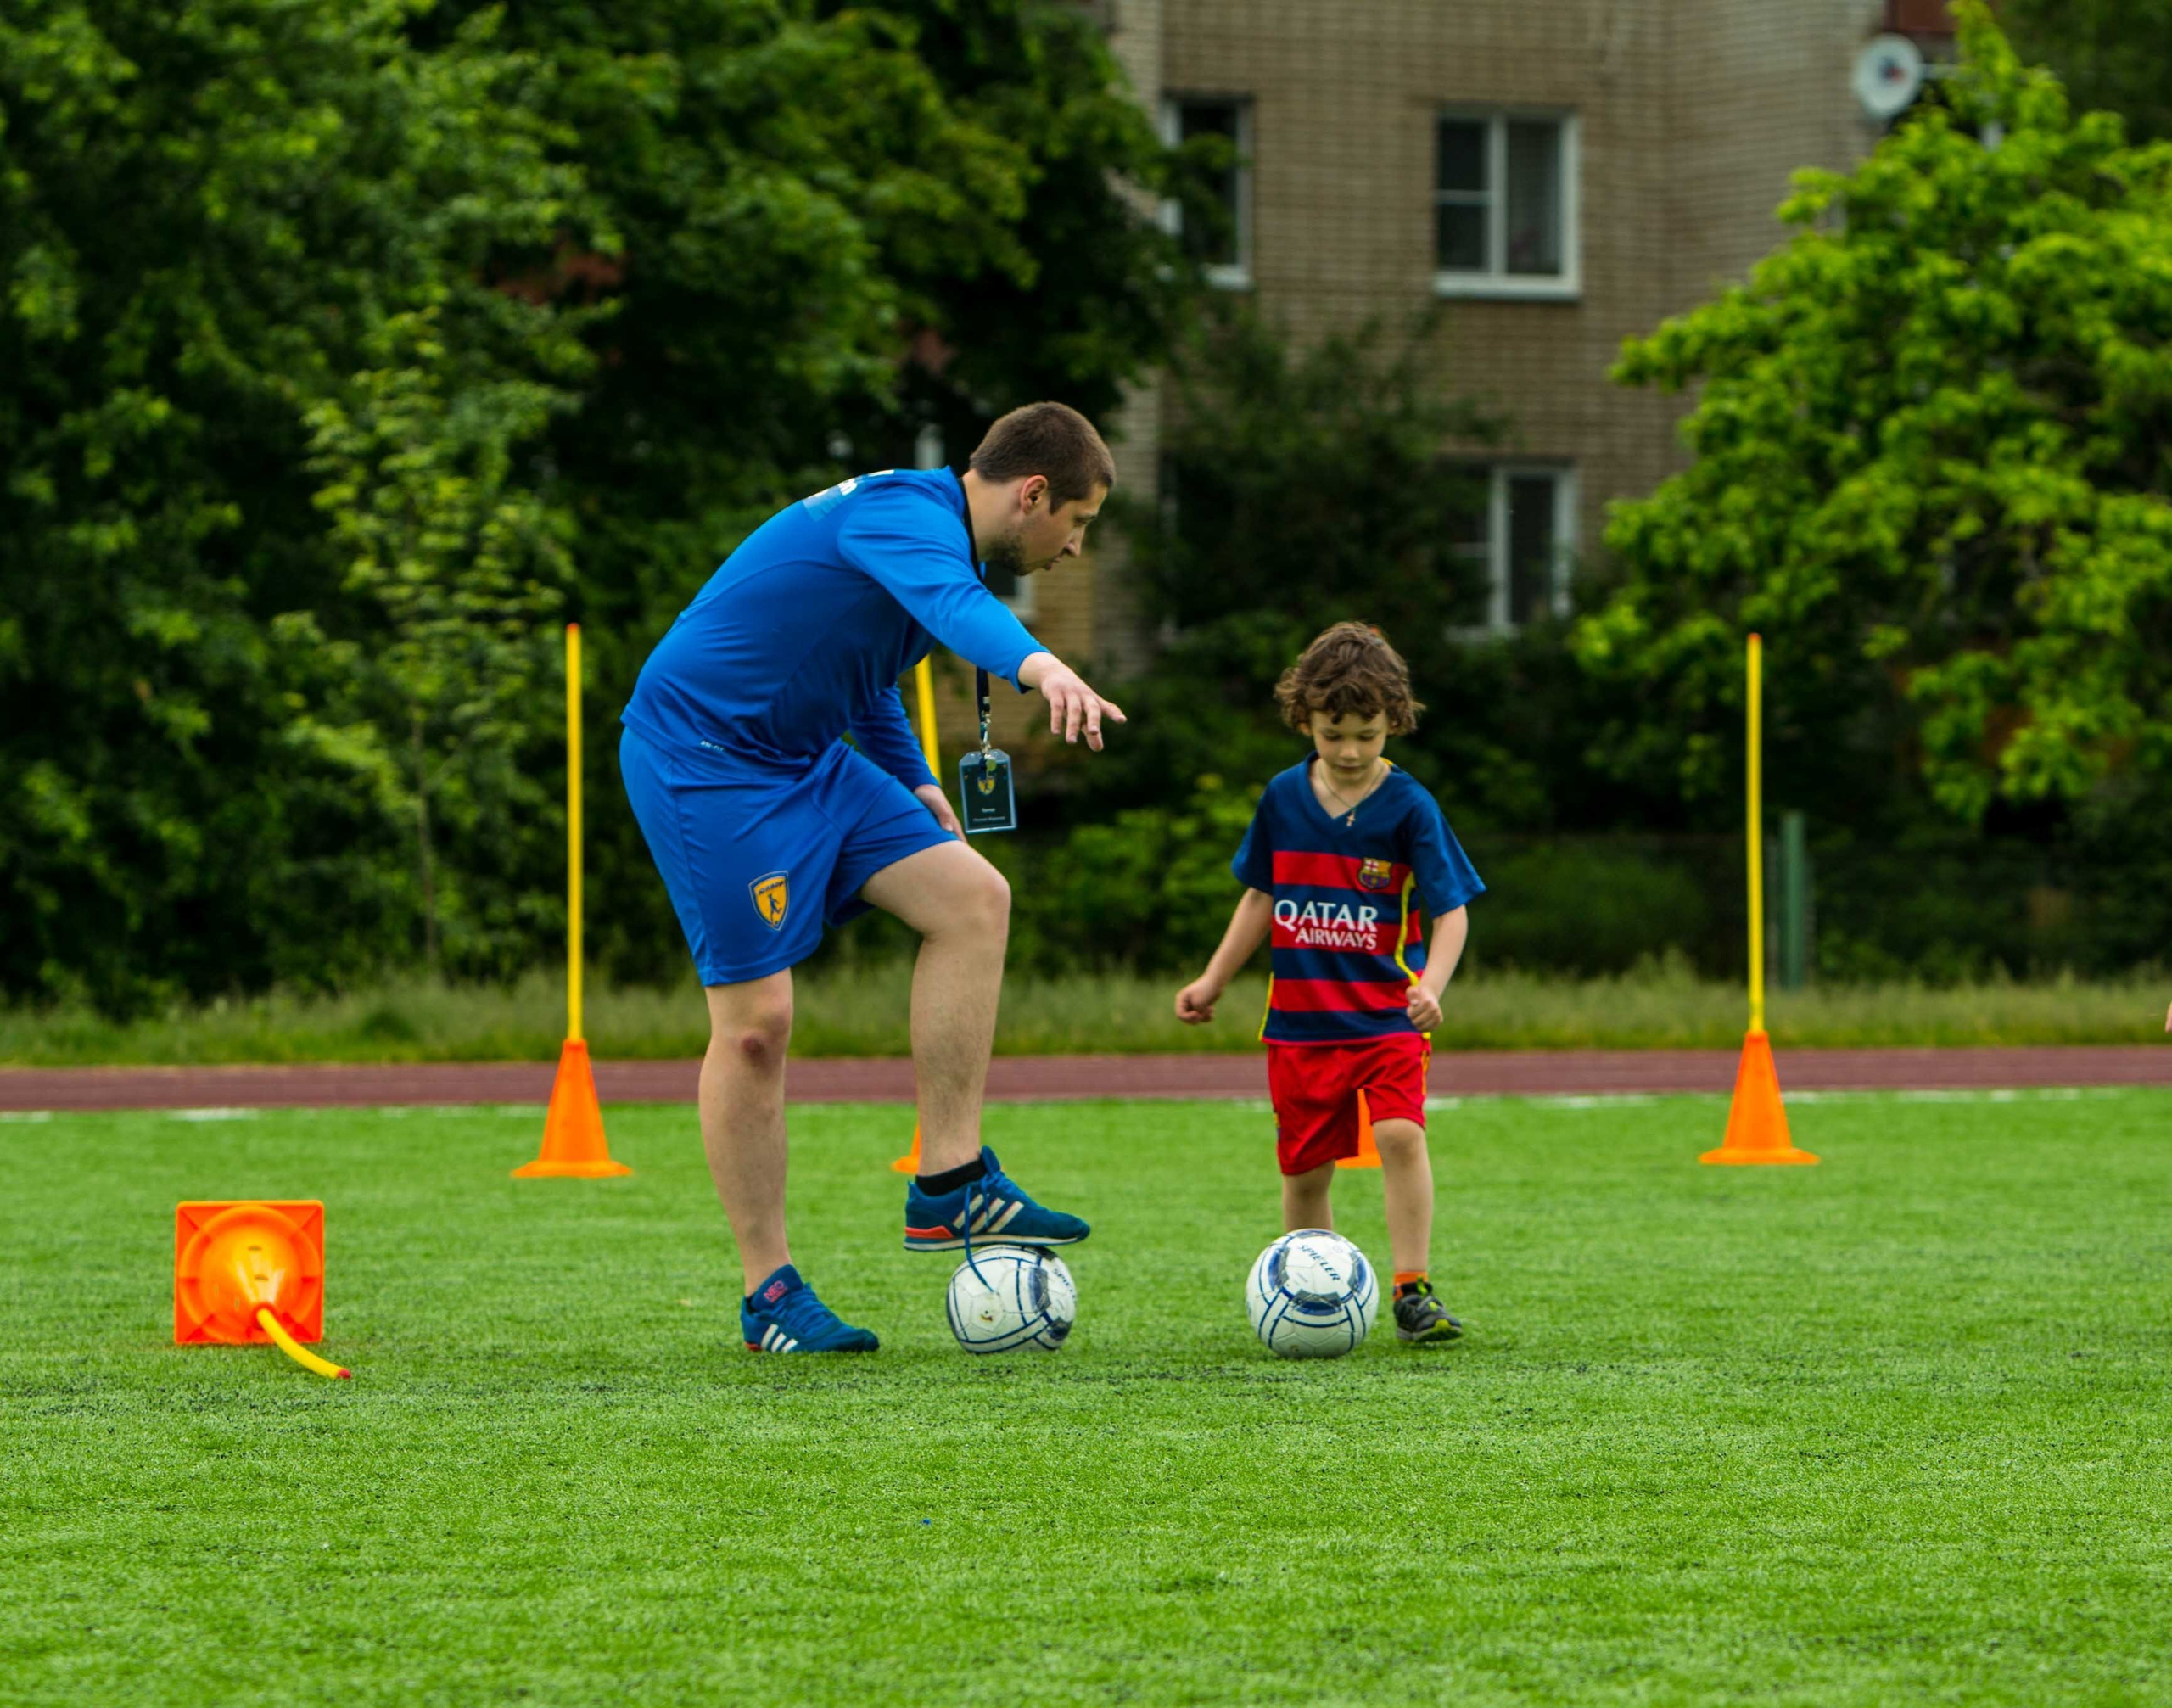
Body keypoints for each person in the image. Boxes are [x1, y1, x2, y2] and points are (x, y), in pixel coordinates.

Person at [619, 403, 1125, 1353]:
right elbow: (955, 611)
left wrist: (921, 782)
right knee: (758, 1027)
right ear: (1033, 494)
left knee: (974, 898)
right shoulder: (907, 515)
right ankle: (769, 1293)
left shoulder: (936, 544)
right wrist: (1041, 666)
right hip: (704, 760)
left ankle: (949, 1183)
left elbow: (866, 682)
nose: (1074, 550)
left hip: (806, 756)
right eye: (1079, 522)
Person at [1175, 622, 1484, 1346]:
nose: (1349, 751)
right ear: (1305, 719)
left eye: (1367, 735)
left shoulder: (1411, 807)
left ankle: (1413, 1290)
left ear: (1393, 725)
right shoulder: (1284, 797)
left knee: (1402, 1135)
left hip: (1385, 1018)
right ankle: (1311, 1290)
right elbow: (1259, 895)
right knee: (1307, 1169)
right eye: (1332, 733)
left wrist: (1432, 985)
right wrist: (1214, 977)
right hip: (1301, 1024)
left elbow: (1453, 912)